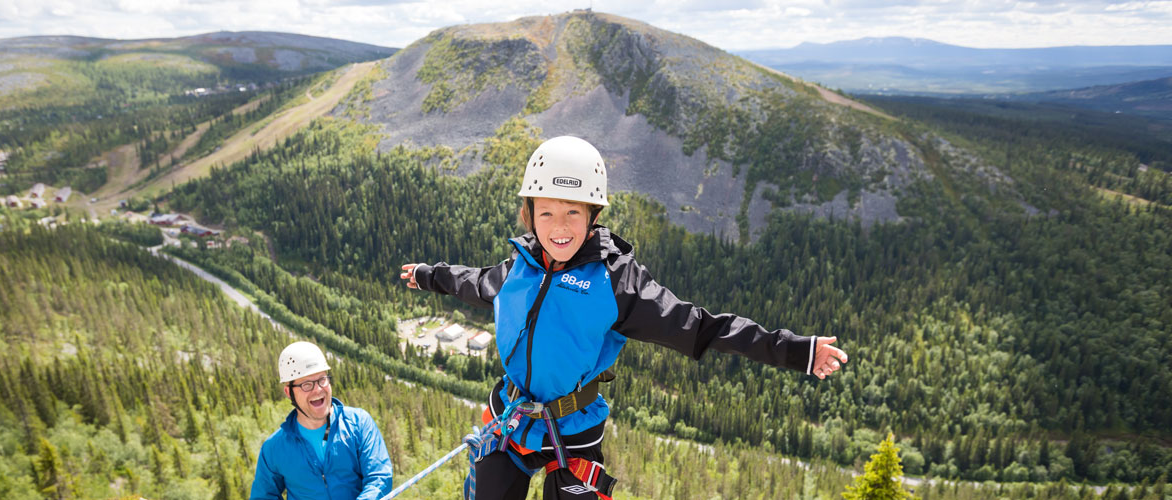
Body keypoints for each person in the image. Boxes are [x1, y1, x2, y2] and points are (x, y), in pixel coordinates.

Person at [399, 136, 849, 500]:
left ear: (593, 217)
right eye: (547, 212)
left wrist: (796, 350)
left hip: (572, 429)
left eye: (573, 212)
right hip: (511, 418)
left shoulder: (617, 284)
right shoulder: (520, 266)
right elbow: (476, 282)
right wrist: (427, 275)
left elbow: (700, 326)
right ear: (529, 214)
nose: (560, 227)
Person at [251, 341, 393, 500]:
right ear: (289, 393)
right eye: (306, 384)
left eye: (322, 379)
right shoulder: (275, 448)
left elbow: (379, 477)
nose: (318, 389)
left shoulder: (358, 424)